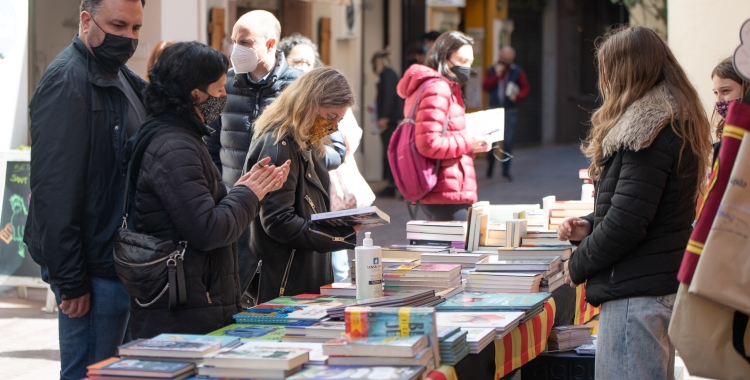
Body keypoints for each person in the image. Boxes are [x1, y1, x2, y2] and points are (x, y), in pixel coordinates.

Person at [557, 26, 712, 380]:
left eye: (608, 70)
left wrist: (577, 264)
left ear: (626, 71)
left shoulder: (647, 128)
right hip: (652, 287)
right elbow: (645, 209)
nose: (605, 81)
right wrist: (590, 224)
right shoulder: (672, 116)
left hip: (635, 295)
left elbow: (628, 222)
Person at [125, 41, 289, 338]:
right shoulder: (175, 147)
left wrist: (239, 191)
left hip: (191, 296)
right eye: (218, 89)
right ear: (195, 93)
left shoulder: (177, 135)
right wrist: (248, 194)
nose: (224, 96)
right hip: (185, 304)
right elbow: (208, 229)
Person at [25, 0, 146, 378]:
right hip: (91, 272)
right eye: (118, 25)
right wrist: (71, 280)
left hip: (116, 263)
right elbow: (53, 190)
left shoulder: (118, 74)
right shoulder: (67, 80)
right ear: (86, 21)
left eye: (136, 29)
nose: (128, 37)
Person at [204, 11, 347, 293]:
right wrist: (219, 193)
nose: (236, 49)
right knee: (241, 287)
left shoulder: (301, 85)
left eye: (245, 41)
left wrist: (295, 160)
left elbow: (334, 148)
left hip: (287, 202)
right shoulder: (225, 83)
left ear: (270, 44)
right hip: (235, 206)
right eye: (234, 41)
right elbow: (208, 141)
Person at [244, 67, 363, 304]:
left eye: (339, 119)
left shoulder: (306, 142)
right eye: (331, 117)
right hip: (284, 278)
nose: (334, 126)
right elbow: (278, 221)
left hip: (299, 271)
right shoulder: (279, 145)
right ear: (308, 105)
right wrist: (337, 234)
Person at [396, 31, 491, 222]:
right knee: (460, 248)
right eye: (462, 61)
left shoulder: (438, 87)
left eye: (470, 62)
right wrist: (468, 143)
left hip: (443, 188)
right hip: (445, 191)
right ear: (443, 57)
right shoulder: (437, 89)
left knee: (447, 248)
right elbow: (429, 143)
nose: (467, 68)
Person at [482, 46, 530, 181]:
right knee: (491, 142)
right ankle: (490, 166)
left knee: (507, 142)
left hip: (510, 110)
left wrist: (518, 96)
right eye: (504, 58)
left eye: (509, 59)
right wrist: (496, 75)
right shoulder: (492, 70)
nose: (506, 62)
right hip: (494, 110)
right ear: (500, 57)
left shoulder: (517, 71)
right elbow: (485, 86)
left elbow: (525, 88)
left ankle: (506, 171)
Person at [372, 48, 404, 198]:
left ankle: (392, 186)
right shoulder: (390, 73)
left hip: (390, 121)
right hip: (391, 120)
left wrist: (383, 116)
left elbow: (388, 96)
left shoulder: (387, 74)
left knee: (390, 153)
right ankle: (392, 185)